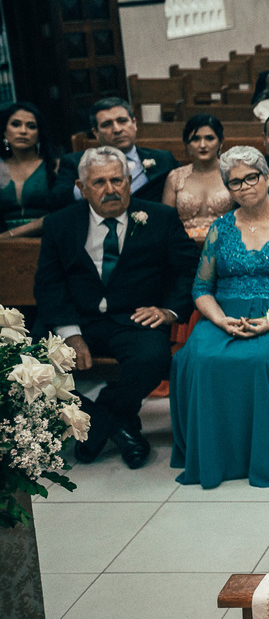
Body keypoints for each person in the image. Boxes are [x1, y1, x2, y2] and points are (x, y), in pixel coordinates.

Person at [170, 146, 269, 489]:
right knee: (200, 356)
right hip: (226, 314)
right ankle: (220, 454)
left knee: (263, 358)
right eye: (235, 183)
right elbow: (201, 287)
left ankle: (267, 454)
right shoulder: (220, 228)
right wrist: (219, 320)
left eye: (251, 178)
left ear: (267, 177)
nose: (244, 188)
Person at [35, 146, 199, 468]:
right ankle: (116, 427)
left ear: (129, 181)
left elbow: (188, 270)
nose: (111, 190)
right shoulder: (60, 224)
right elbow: (48, 284)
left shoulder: (160, 217)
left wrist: (169, 311)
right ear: (81, 188)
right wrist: (69, 331)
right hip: (77, 318)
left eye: (118, 180)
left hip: (134, 318)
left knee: (152, 358)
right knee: (29, 366)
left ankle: (101, 419)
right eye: (99, 183)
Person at [51, 98, 177, 208]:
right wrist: (90, 187)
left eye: (122, 121)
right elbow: (57, 198)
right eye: (107, 124)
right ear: (96, 133)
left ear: (134, 124)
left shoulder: (163, 159)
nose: (117, 129)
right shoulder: (75, 162)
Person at [163, 114, 234, 242]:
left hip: (225, 244)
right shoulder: (175, 177)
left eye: (209, 138)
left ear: (221, 142)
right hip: (183, 246)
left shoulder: (232, 174)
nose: (202, 145)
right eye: (195, 139)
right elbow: (165, 222)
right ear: (187, 144)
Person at [0, 101, 57, 238]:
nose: (23, 131)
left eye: (31, 126)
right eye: (15, 124)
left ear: (39, 134)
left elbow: (63, 213)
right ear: (4, 131)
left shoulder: (55, 167)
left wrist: (9, 235)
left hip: (47, 241)